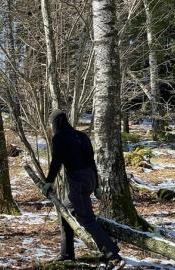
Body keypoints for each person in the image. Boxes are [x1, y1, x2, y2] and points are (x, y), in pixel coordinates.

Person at [43, 110, 125, 270]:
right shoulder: (81, 136)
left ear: (56, 123)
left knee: (87, 219)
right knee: (65, 212)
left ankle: (112, 255)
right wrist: (96, 185)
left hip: (78, 182)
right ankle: (67, 254)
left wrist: (48, 182)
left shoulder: (59, 138)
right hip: (89, 178)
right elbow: (91, 162)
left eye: (51, 123)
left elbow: (56, 162)